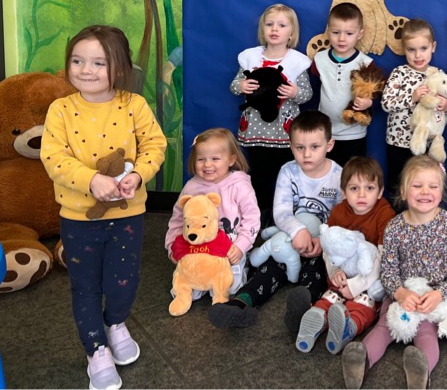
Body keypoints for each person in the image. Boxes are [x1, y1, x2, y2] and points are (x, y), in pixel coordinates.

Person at [40, 25, 166, 390]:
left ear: (120, 67)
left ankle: (116, 323)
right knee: (85, 287)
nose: (86, 70)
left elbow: (155, 145)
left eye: (99, 62)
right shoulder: (61, 109)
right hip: (78, 219)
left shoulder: (134, 105)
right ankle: (96, 349)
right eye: (77, 61)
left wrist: (138, 175)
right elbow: (53, 157)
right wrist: (90, 179)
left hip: (127, 215)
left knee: (124, 281)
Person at [341, 155, 447, 390]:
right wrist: (400, 293)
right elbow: (388, 271)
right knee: (384, 326)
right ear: (403, 191)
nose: (425, 192)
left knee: (426, 333)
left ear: (441, 192)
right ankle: (361, 361)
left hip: (434, 298)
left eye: (433, 186)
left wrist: (440, 294)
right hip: (402, 295)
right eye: (417, 185)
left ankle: (421, 370)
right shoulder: (394, 227)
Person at [208, 111, 341, 329]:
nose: (307, 154)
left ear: (329, 145)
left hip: (321, 244)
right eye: (300, 147)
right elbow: (281, 211)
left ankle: (303, 311)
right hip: (288, 239)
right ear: (291, 146)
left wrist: (323, 241)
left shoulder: (339, 175)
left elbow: (343, 217)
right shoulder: (288, 171)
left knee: (318, 273)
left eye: (315, 147)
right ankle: (240, 304)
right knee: (269, 268)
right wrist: (298, 231)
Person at [291, 156, 396, 354]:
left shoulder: (385, 214)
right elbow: (328, 247)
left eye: (369, 188)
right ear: (343, 192)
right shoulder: (339, 212)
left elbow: (384, 258)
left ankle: (349, 327)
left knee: (364, 304)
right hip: (344, 272)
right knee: (331, 296)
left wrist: (356, 285)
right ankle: (316, 319)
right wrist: (335, 271)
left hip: (369, 279)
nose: (362, 194)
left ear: (380, 192)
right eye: (354, 188)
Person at [231, 3, 313, 218]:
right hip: (255, 131)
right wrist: (241, 86)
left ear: (291, 33)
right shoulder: (250, 58)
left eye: (282, 25)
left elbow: (307, 94)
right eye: (269, 24)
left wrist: (294, 92)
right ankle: (258, 214)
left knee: (283, 173)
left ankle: (282, 215)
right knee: (258, 173)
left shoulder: (297, 62)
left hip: (283, 132)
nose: (274, 29)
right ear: (263, 29)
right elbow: (235, 85)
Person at [164, 128, 260, 297]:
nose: (207, 165)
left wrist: (241, 246)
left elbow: (252, 218)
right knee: (187, 291)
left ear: (231, 160)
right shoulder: (191, 187)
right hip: (198, 251)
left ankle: (243, 269)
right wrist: (172, 245)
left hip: (229, 250)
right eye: (201, 159)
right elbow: (178, 219)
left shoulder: (240, 185)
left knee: (229, 289)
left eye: (215, 159)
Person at [381, 18, 447, 192]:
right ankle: (397, 209)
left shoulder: (438, 75)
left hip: (426, 143)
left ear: (433, 47)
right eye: (411, 50)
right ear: (403, 49)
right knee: (398, 185)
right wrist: (412, 98)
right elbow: (386, 104)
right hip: (399, 142)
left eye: (423, 49)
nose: (418, 55)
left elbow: (446, 108)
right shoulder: (399, 73)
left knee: (423, 184)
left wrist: (446, 106)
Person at [313, 3, 376, 167]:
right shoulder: (319, 60)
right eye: (336, 32)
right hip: (324, 133)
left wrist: (368, 103)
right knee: (325, 175)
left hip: (354, 134)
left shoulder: (366, 63)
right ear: (328, 31)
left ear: (360, 34)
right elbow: (313, 93)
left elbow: (375, 96)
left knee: (352, 175)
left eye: (349, 33)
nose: (341, 39)